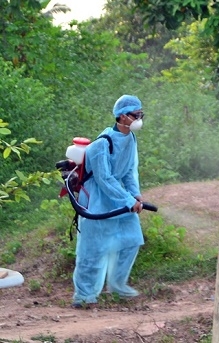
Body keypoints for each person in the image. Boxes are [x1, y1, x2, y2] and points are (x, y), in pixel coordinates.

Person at [72, 94, 146, 308]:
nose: (139, 119)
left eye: (141, 114)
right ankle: (84, 297)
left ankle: (117, 285)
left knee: (132, 239)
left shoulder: (130, 138)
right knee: (92, 250)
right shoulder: (102, 144)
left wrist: (135, 194)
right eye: (136, 115)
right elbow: (104, 179)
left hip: (118, 197)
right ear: (122, 116)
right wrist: (127, 199)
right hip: (97, 200)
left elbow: (130, 171)